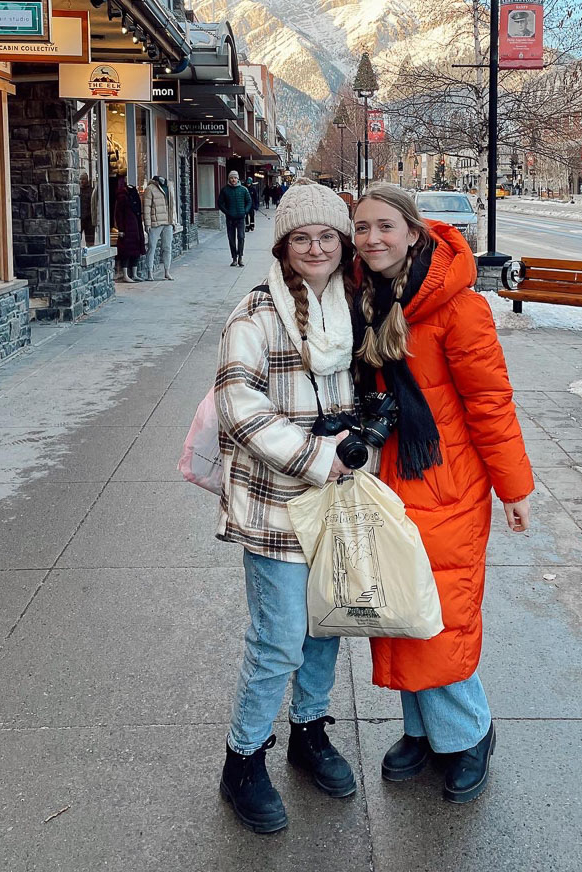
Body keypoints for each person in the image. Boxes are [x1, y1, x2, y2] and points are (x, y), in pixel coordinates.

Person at [351, 182, 533, 805]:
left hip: (447, 480)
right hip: (389, 478)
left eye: (384, 226)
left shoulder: (460, 308)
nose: (372, 238)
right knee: (400, 607)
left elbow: (490, 404)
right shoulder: (368, 296)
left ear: (412, 230)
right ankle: (422, 732)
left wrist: (513, 487)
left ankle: (468, 733)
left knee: (441, 612)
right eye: (362, 227)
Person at [213, 180, 360, 834]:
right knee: (277, 639)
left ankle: (309, 730)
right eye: (303, 237)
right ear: (284, 245)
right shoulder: (256, 313)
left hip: (332, 503)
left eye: (328, 235)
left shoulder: (347, 308)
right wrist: (314, 455)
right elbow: (238, 405)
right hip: (276, 504)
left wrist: (362, 438)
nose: (316, 247)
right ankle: (243, 759)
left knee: (324, 625)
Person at [142, 174, 178, 280]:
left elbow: (173, 205)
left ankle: (167, 271)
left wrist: (174, 221)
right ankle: (150, 272)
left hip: (168, 222)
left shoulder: (169, 186)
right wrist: (147, 223)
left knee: (167, 247)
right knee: (152, 247)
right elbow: (146, 207)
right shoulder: (150, 189)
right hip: (155, 222)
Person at [217, 171, 252, 267]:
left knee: (241, 237)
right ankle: (234, 258)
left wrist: (245, 211)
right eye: (232, 178)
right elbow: (220, 203)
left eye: (235, 178)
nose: (233, 180)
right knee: (231, 239)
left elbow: (249, 201)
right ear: (229, 179)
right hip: (230, 218)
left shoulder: (244, 190)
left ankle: (240, 256)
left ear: (238, 179)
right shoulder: (225, 190)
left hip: (241, 218)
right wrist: (227, 212)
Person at [114, 181, 145, 282]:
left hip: (136, 227)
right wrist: (121, 229)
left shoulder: (134, 194)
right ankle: (125, 275)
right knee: (126, 251)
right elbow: (118, 214)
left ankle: (134, 274)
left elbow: (139, 212)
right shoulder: (122, 196)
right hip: (127, 227)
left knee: (136, 250)